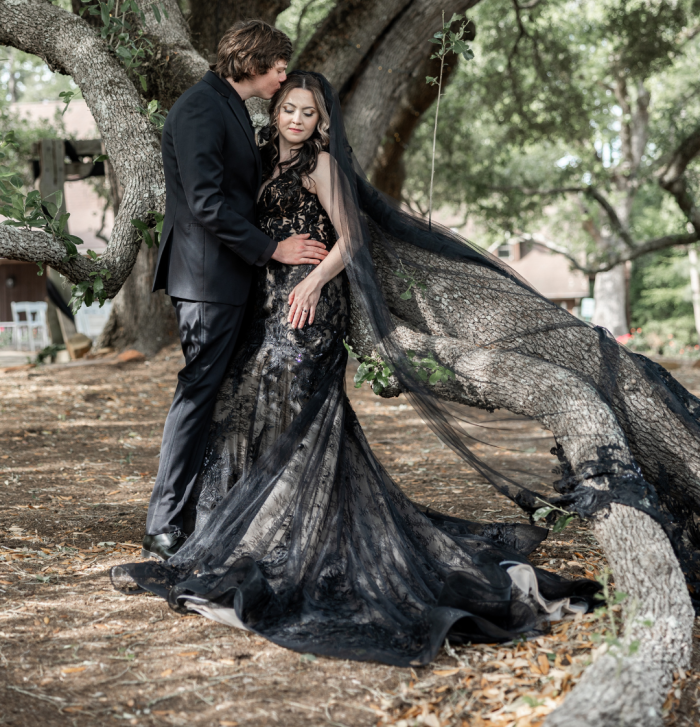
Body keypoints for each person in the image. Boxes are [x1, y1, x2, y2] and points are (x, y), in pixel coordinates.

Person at [115, 71, 601, 667]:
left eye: (308, 113)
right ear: (275, 112)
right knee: (243, 407)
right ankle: (249, 530)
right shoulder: (262, 157)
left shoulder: (321, 166)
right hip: (261, 303)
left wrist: (316, 282)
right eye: (288, 108)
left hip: (310, 304)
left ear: (323, 121)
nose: (296, 119)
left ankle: (300, 533)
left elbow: (350, 239)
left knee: (300, 411)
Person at [142, 23, 329, 561]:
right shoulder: (202, 107)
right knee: (197, 394)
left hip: (224, 279)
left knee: (214, 396)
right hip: (205, 281)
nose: (282, 77)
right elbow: (204, 203)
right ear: (253, 62)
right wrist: (273, 249)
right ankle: (162, 523)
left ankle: (206, 509)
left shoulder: (226, 106)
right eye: (277, 67)